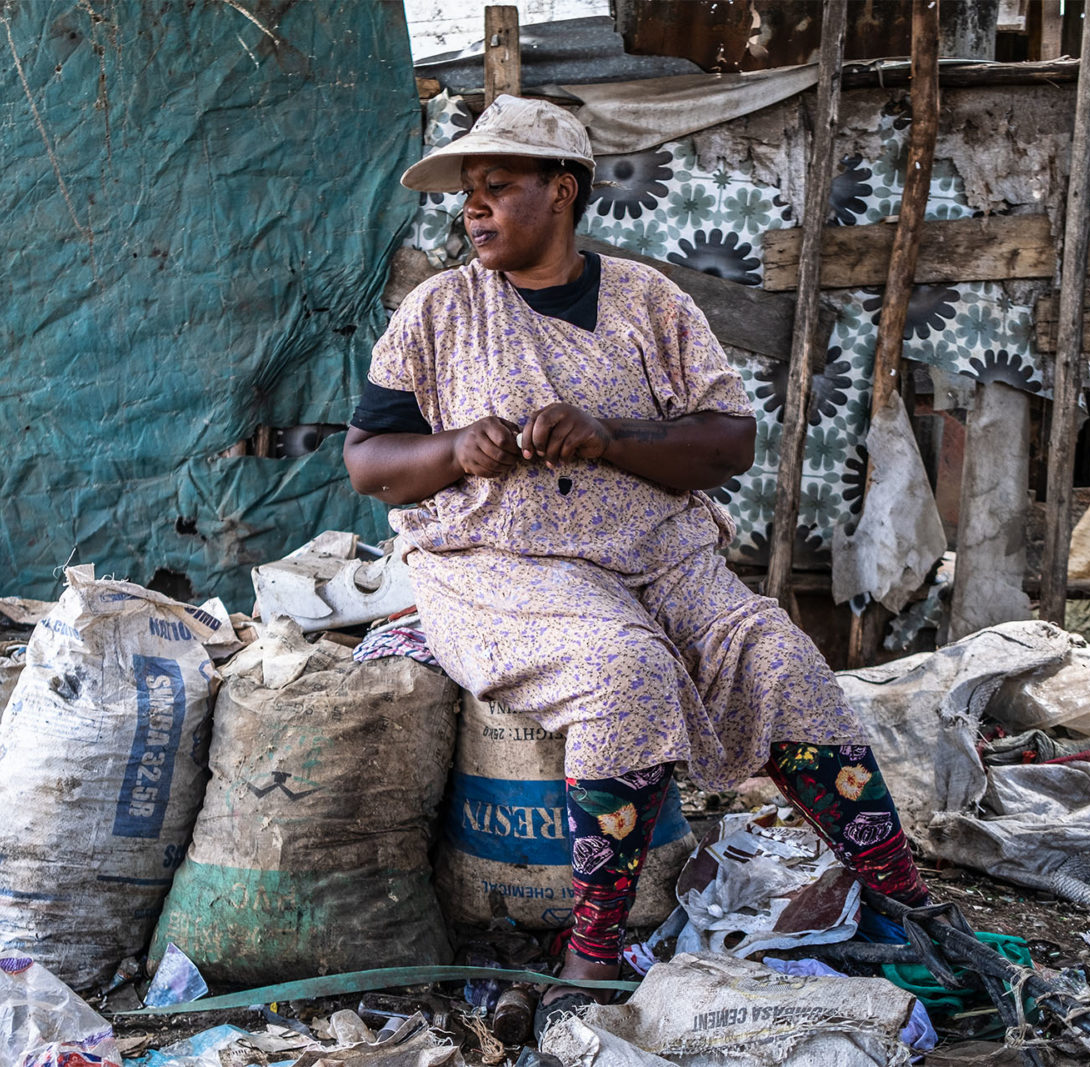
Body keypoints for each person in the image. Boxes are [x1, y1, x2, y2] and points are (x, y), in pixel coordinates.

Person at [344, 96, 929, 1029]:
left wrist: (610, 437)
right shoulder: (438, 312)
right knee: (624, 671)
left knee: (778, 657)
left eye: (499, 188)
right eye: (469, 194)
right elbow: (369, 461)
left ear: (564, 191)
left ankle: (903, 900)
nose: (475, 209)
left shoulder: (652, 301)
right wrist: (458, 447)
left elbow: (727, 443)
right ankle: (594, 948)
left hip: (662, 555)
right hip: (502, 562)